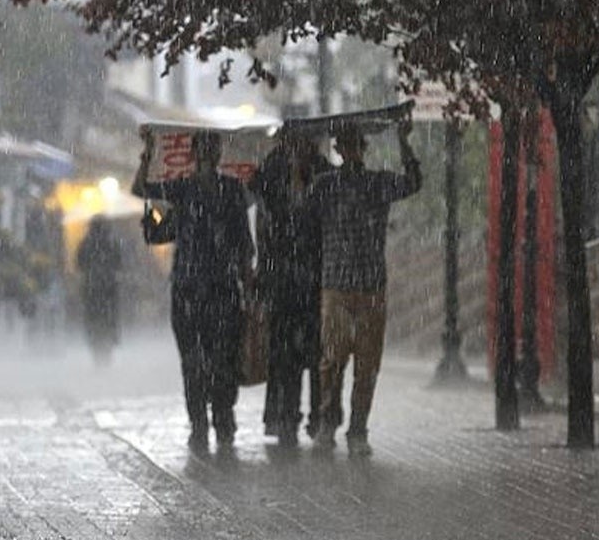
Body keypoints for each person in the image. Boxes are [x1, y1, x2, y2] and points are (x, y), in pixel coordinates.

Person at [133, 130, 255, 452]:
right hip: (189, 290)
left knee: (223, 359)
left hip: (222, 288)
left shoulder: (231, 191)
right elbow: (142, 189)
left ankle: (222, 419)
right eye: (203, 150)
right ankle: (200, 422)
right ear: (195, 155)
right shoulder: (183, 190)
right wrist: (148, 153)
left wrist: (248, 281)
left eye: (211, 150)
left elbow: (243, 243)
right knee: (194, 361)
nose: (207, 156)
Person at [308, 118, 421, 457]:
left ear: (362, 148)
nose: (350, 150)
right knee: (332, 358)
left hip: (370, 285)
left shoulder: (378, 183)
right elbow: (300, 212)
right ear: (339, 150)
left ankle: (358, 428)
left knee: (367, 364)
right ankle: (328, 421)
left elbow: (414, 182)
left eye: (355, 144)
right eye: (344, 144)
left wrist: (404, 142)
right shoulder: (324, 184)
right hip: (337, 285)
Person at [251, 133, 334, 448]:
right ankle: (286, 417)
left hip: (314, 278)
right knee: (284, 354)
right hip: (282, 279)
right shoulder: (271, 171)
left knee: (316, 354)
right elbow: (264, 220)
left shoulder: (323, 172)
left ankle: (319, 416)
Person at [76, 215, 124, 366]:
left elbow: (79, 263)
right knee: (109, 320)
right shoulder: (112, 242)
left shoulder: (86, 243)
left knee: (94, 320)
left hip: (91, 288)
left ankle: (97, 352)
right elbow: (119, 263)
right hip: (109, 288)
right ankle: (107, 350)